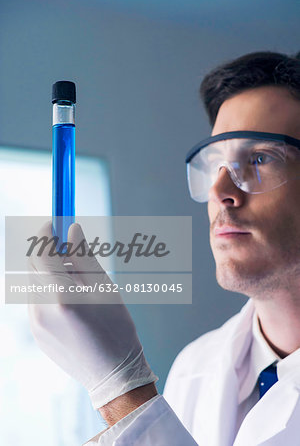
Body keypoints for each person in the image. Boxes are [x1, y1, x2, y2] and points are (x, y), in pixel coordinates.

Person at [28, 51, 300, 446]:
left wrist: (124, 394)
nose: (220, 192)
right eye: (215, 164)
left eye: (260, 158)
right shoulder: (195, 367)